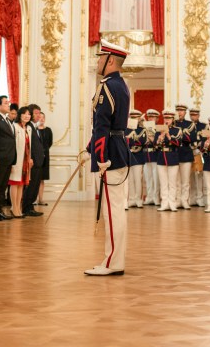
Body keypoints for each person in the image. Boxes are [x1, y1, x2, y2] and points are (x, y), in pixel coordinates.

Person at [85, 39, 131, 277]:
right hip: (118, 150)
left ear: (110, 60)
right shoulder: (122, 85)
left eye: (100, 58)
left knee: (112, 213)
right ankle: (112, 259)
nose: (98, 61)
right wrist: (90, 147)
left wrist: (100, 157)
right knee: (115, 210)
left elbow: (102, 126)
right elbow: (113, 125)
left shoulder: (107, 86)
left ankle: (113, 262)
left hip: (110, 155)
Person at [0, 95, 17, 220]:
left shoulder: (6, 120)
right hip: (0, 159)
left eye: (8, 102)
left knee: (2, 187)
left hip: (8, 158)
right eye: (5, 103)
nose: (8, 105)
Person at [22, 105, 45, 216]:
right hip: (33, 161)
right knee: (31, 186)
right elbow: (28, 145)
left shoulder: (35, 127)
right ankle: (26, 207)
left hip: (38, 161)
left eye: (39, 113)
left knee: (35, 185)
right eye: (36, 113)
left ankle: (30, 206)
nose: (38, 115)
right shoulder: (28, 126)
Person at [9, 105, 32, 216]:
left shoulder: (28, 128)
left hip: (25, 161)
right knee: (14, 183)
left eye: (29, 114)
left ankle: (18, 207)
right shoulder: (15, 127)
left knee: (21, 184)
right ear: (20, 115)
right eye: (25, 113)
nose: (27, 116)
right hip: (16, 160)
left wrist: (30, 158)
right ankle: (14, 207)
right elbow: (12, 145)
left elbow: (28, 146)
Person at [124, 111, 146, 209]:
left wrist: (133, 137)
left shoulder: (142, 130)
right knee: (130, 179)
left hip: (138, 156)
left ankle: (138, 199)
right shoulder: (125, 130)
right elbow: (125, 142)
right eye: (132, 118)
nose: (134, 120)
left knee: (138, 179)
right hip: (129, 155)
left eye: (136, 118)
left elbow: (142, 141)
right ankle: (132, 199)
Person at [141, 110, 160, 208]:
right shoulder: (144, 129)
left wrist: (152, 139)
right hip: (146, 156)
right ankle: (149, 197)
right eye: (149, 117)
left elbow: (158, 143)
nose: (151, 119)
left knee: (156, 178)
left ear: (157, 119)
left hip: (155, 156)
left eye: (153, 117)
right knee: (148, 178)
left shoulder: (159, 129)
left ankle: (156, 197)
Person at [36, 109, 52, 205]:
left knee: (42, 179)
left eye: (43, 117)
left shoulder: (48, 130)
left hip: (45, 157)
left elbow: (49, 143)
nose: (41, 119)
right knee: (35, 178)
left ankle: (40, 199)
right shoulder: (34, 129)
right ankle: (33, 199)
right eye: (40, 117)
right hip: (36, 157)